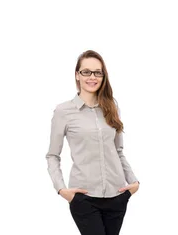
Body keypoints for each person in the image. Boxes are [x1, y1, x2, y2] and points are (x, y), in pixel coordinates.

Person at [46, 50, 140, 235]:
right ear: (77, 75)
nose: (92, 77)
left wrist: (134, 181)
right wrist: (61, 189)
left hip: (117, 195)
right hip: (84, 198)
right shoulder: (63, 111)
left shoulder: (112, 106)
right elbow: (52, 155)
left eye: (98, 72)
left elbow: (118, 150)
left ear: (103, 76)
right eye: (86, 72)